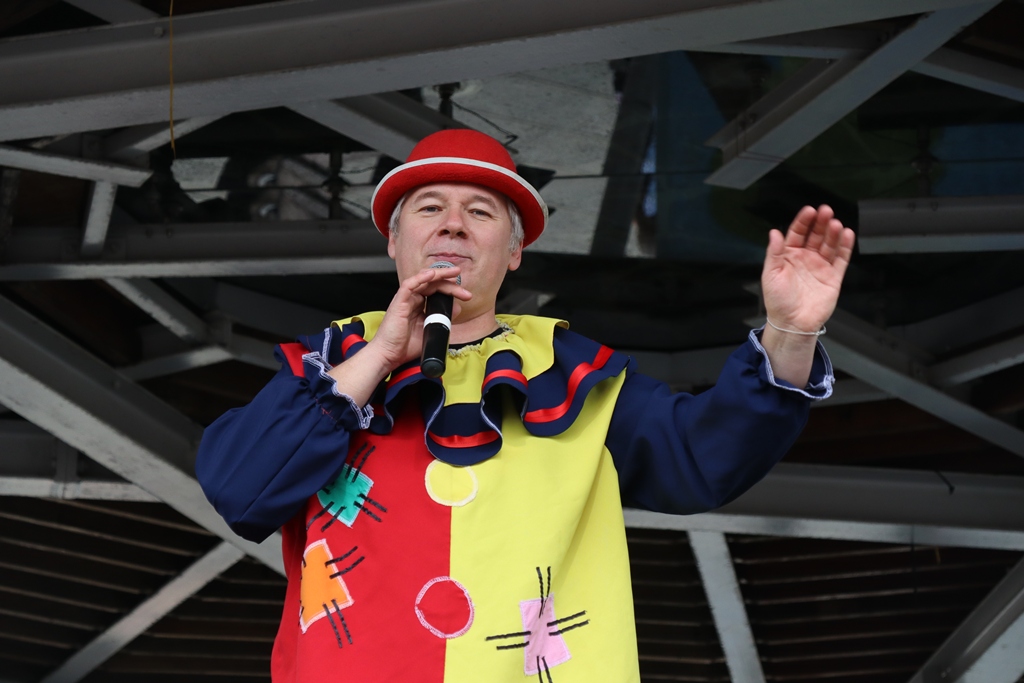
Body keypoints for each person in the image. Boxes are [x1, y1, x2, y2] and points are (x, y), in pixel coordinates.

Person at [196, 129, 854, 683]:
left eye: (481, 212)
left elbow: (705, 457)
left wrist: (790, 333)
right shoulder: (332, 363)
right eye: (429, 207)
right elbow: (239, 488)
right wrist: (379, 356)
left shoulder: (576, 374)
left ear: (513, 252)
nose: (453, 222)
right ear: (394, 242)